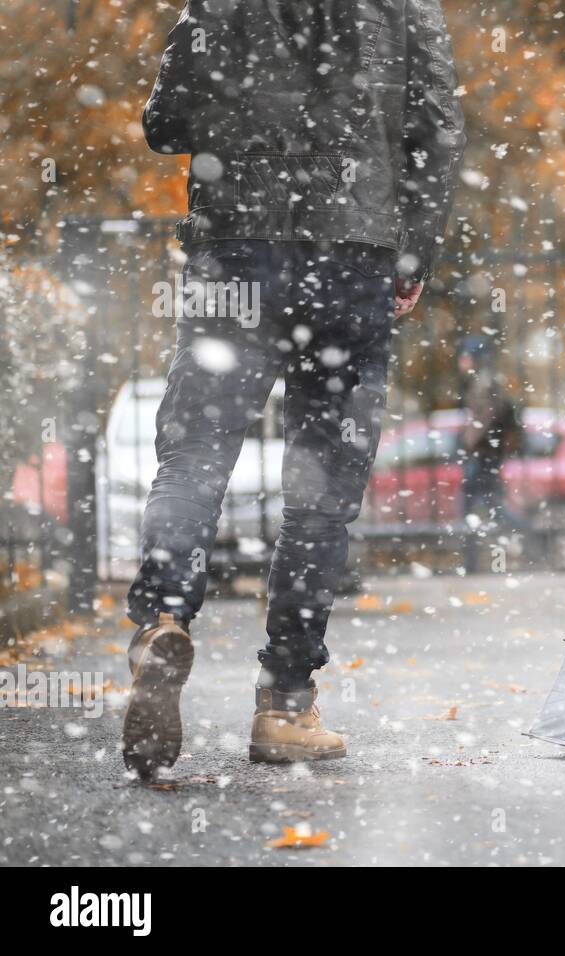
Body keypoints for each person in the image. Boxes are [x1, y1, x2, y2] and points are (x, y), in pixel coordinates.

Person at [123, 0, 465, 779]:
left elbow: (164, 122)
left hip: (235, 254)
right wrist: (411, 254)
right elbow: (438, 135)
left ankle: (164, 620)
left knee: (195, 458)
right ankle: (285, 702)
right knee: (320, 492)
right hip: (352, 257)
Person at [457, 335, 521, 567]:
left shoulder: (482, 383)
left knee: (477, 507)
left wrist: (468, 442)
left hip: (483, 456)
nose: (461, 362)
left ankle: (472, 561)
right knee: (490, 506)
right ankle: (472, 559)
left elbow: (483, 420)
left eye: (465, 356)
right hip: (487, 455)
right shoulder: (483, 382)